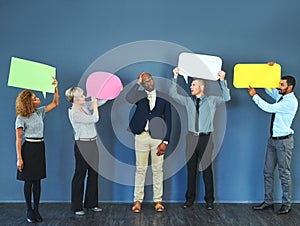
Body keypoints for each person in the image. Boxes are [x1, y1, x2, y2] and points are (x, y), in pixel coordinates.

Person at [170, 67, 231, 210]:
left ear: (201, 87)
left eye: (193, 85)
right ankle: (189, 199)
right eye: (191, 85)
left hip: (205, 139)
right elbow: (173, 94)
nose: (191, 87)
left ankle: (209, 200)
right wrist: (175, 77)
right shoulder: (187, 101)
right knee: (191, 170)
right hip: (191, 138)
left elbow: (227, 97)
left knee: (206, 170)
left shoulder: (212, 101)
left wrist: (222, 80)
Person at [248, 72, 298, 214]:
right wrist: (268, 72)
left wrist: (254, 96)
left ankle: (286, 204)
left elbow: (268, 108)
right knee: (267, 171)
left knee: (284, 174)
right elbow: (268, 89)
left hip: (284, 142)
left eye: (281, 85)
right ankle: (268, 202)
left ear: (290, 87)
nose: (278, 87)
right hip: (273, 140)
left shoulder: (290, 102)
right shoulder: (281, 97)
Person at [126, 72, 172, 213]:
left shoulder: (164, 97)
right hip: (141, 136)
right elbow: (128, 98)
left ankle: (158, 200)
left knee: (158, 170)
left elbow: (169, 120)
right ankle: (137, 201)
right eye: (145, 81)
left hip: (158, 137)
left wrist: (165, 141)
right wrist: (137, 84)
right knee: (140, 169)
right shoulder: (139, 96)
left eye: (149, 80)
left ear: (153, 81)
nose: (148, 83)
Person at [15, 77, 59, 223]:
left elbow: (55, 103)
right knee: (28, 182)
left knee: (38, 182)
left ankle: (36, 210)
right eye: (35, 98)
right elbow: (19, 139)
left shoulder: (39, 112)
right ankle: (29, 209)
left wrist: (55, 87)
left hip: (40, 147)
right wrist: (19, 158)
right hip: (28, 149)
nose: (38, 98)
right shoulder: (21, 117)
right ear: (29, 101)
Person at [65, 87, 106, 216]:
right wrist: (94, 104)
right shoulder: (74, 113)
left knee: (94, 174)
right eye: (82, 96)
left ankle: (91, 203)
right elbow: (95, 118)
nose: (84, 97)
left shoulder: (84, 106)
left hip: (92, 143)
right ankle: (77, 206)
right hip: (82, 144)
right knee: (80, 175)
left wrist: (115, 91)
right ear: (75, 99)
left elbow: (100, 102)